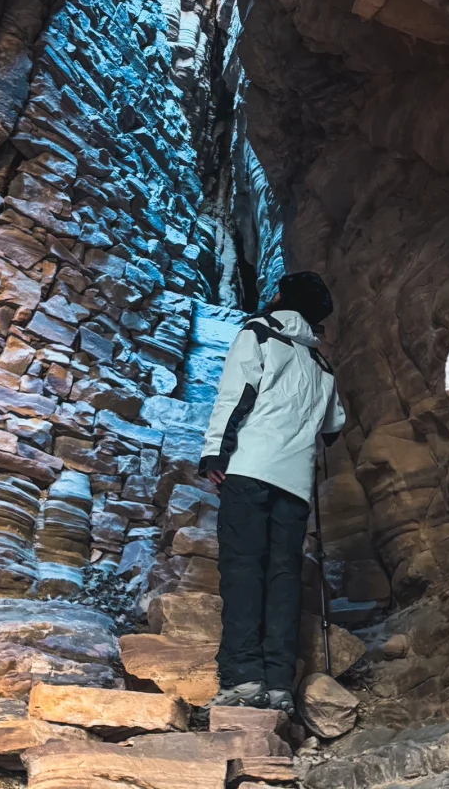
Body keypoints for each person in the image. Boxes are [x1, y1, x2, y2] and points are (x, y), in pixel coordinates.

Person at [198, 270, 346, 714]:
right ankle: (279, 683)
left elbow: (235, 395)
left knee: (244, 570)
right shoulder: (323, 365)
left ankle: (243, 679)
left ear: (283, 298)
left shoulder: (259, 334)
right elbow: (334, 427)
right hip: (296, 484)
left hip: (250, 470)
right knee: (283, 577)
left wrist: (214, 455)